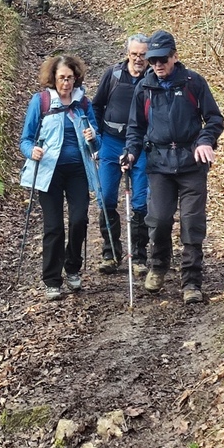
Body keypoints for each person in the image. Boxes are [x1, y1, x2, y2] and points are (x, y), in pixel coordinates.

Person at [124, 30, 224, 305]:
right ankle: (158, 266)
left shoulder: (193, 83)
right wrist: (130, 153)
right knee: (159, 220)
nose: (158, 65)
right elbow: (135, 128)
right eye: (153, 60)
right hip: (158, 164)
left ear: (174, 57)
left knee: (192, 222)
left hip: (192, 163)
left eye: (163, 59)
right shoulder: (145, 88)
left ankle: (191, 281)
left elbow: (214, 119)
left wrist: (205, 141)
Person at [20, 54, 100, 300]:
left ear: (76, 78)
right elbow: (26, 139)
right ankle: (52, 280)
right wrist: (32, 151)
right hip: (49, 171)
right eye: (62, 78)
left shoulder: (83, 103)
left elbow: (97, 141)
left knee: (79, 220)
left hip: (78, 171)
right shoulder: (41, 102)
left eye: (70, 78)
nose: (66, 83)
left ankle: (73, 267)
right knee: (53, 226)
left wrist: (92, 137)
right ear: (53, 78)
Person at [92, 33, 150, 276]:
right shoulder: (113, 75)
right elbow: (96, 106)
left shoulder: (152, 79)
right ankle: (111, 254)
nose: (138, 59)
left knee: (141, 202)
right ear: (127, 53)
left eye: (143, 55)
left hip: (142, 146)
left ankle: (139, 257)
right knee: (105, 198)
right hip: (111, 143)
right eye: (134, 54)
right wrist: (96, 138)